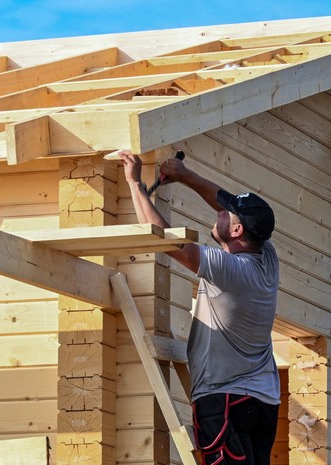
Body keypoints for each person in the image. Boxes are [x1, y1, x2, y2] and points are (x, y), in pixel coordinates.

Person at [118, 149, 281, 465]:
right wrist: (185, 175)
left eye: (226, 215)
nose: (218, 212)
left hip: (226, 401)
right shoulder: (267, 257)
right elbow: (222, 202)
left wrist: (134, 183)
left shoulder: (228, 269)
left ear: (236, 231)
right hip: (263, 403)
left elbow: (166, 240)